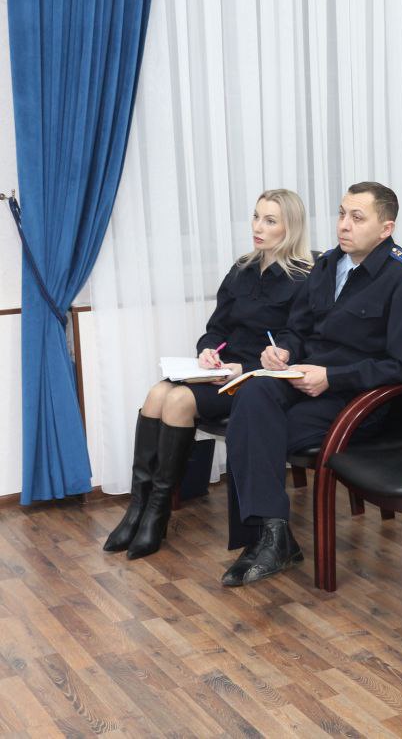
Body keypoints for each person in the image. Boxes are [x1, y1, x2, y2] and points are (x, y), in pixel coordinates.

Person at [220, 181, 402, 586]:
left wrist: (332, 377)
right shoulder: (327, 265)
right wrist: (282, 351)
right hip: (305, 378)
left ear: (385, 228)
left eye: (357, 217)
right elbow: (298, 329)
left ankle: (268, 540)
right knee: (252, 394)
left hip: (360, 399)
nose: (343, 225)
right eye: (341, 213)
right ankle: (274, 536)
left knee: (249, 432)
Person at [103, 190, 313, 560]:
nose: (257, 227)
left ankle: (156, 514)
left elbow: (296, 343)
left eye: (270, 221)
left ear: (290, 228)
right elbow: (216, 328)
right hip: (221, 371)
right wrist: (207, 350)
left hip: (255, 380)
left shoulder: (304, 278)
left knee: (180, 400)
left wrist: (242, 368)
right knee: (156, 394)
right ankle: (140, 508)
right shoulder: (242, 268)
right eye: (255, 216)